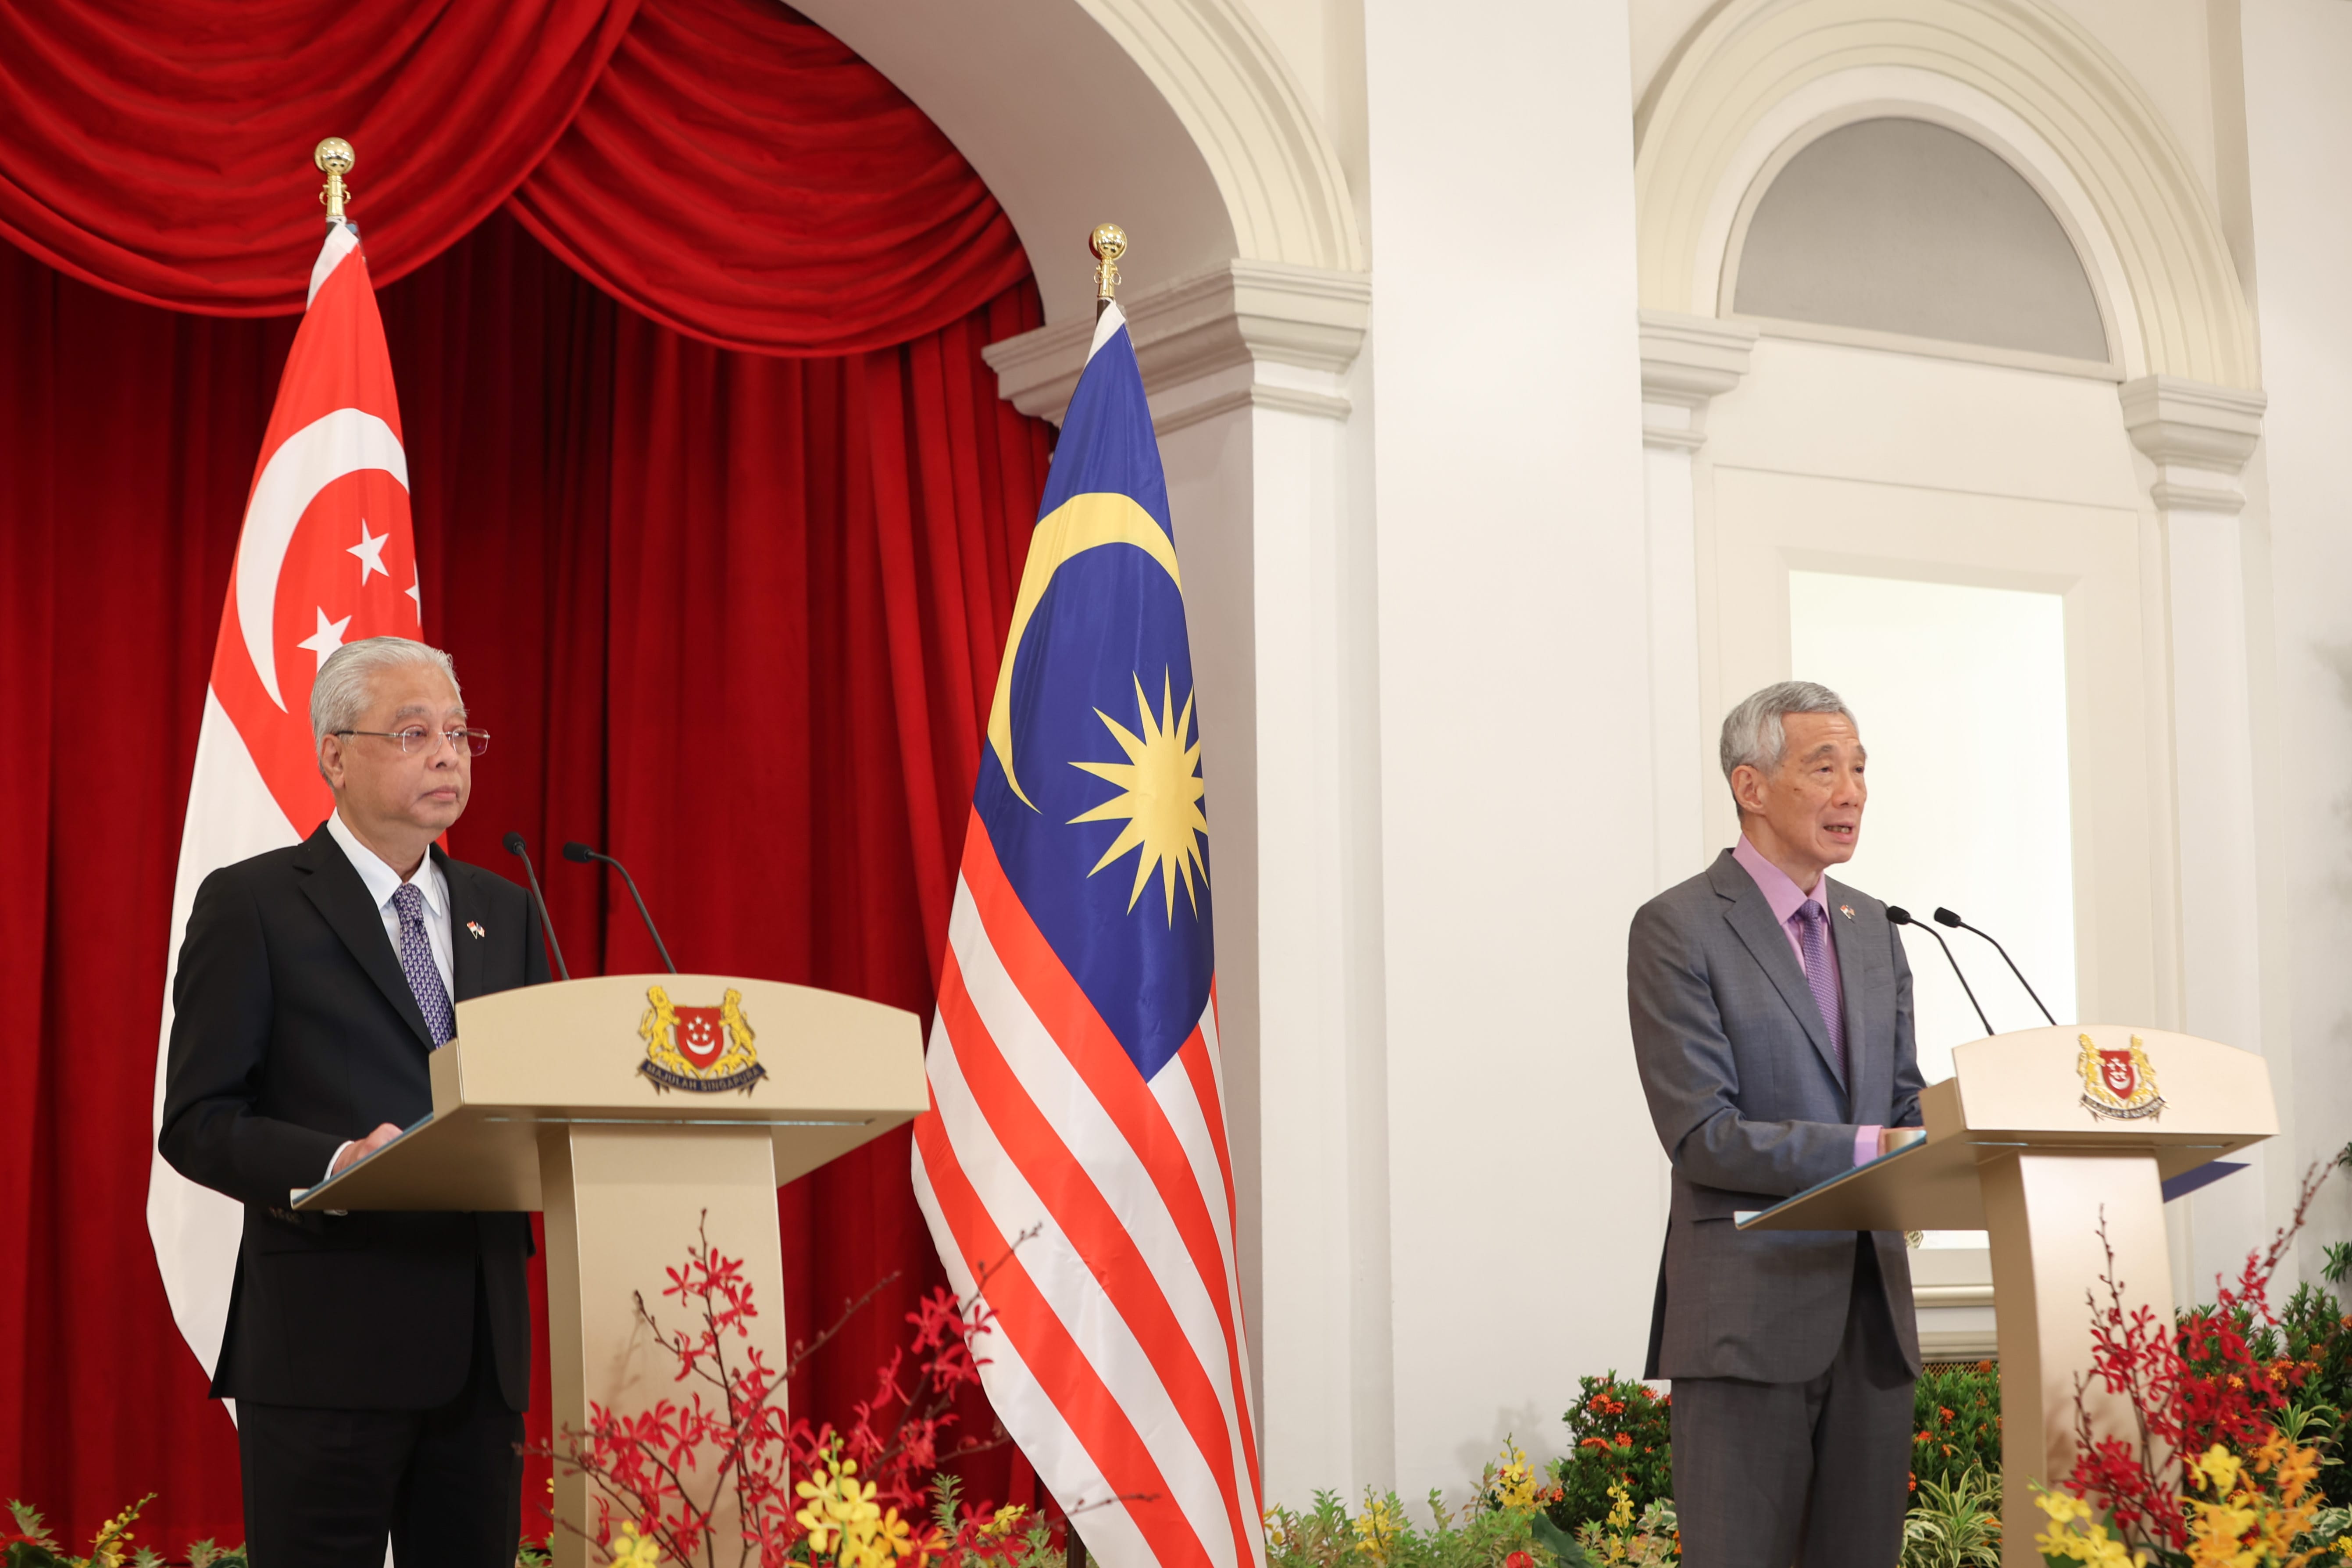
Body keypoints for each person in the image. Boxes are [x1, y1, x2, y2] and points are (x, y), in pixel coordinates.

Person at [160, 636, 547, 1565]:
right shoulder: (252, 905)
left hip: (481, 1355)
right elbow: (199, 1121)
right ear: (335, 754)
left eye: (459, 733)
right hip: (327, 1347)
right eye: (415, 733)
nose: (448, 754)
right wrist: (333, 1164)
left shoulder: (508, 907)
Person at [1626, 680, 1924, 1568]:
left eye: (1862, 768)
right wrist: (1874, 1150)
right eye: (1824, 766)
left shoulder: (1877, 929)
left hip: (1872, 1323)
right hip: (1746, 1321)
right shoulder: (1678, 927)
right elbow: (1703, 1134)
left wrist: (1978, 1127)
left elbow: (1905, 1106)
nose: (1853, 791)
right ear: (1751, 786)